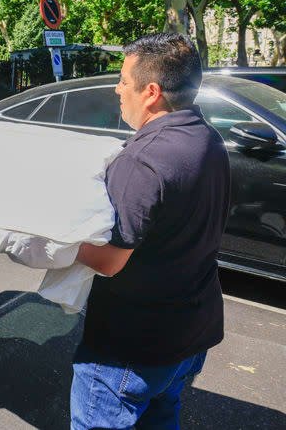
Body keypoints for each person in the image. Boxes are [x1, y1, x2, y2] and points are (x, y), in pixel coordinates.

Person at [71, 33, 230, 429]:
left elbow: (109, 262)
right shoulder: (208, 139)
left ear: (151, 91)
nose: (117, 88)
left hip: (133, 349)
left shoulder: (142, 160)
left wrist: (53, 242)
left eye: (124, 80)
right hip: (191, 334)